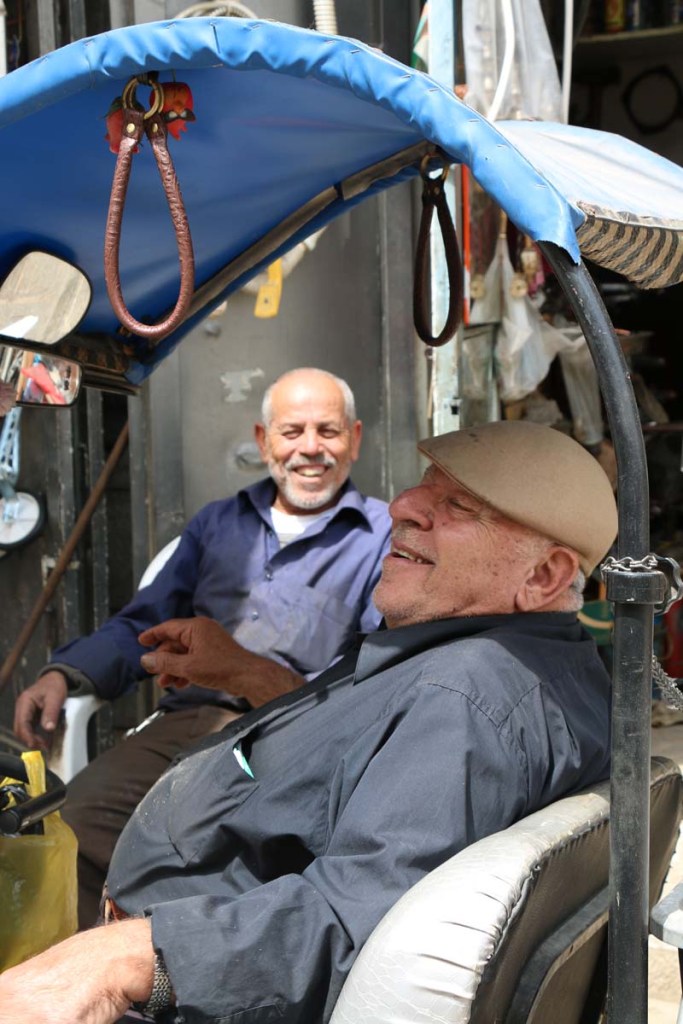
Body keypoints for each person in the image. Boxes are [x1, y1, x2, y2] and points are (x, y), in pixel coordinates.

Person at [0, 421, 617, 1024]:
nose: (403, 505)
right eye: (424, 484)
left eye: (458, 505)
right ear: (263, 440)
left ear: (544, 577)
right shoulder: (508, 659)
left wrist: (123, 958)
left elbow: (348, 919)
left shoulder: (463, 698)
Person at [12, 366, 391, 928]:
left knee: (192, 849)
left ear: (355, 439)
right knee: (73, 821)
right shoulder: (218, 524)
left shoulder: (382, 537)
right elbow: (143, 622)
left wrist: (249, 674)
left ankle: (162, 983)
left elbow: (372, 676)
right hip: (182, 727)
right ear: (263, 441)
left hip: (292, 736)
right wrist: (64, 675)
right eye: (292, 432)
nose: (310, 448)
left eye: (327, 431)